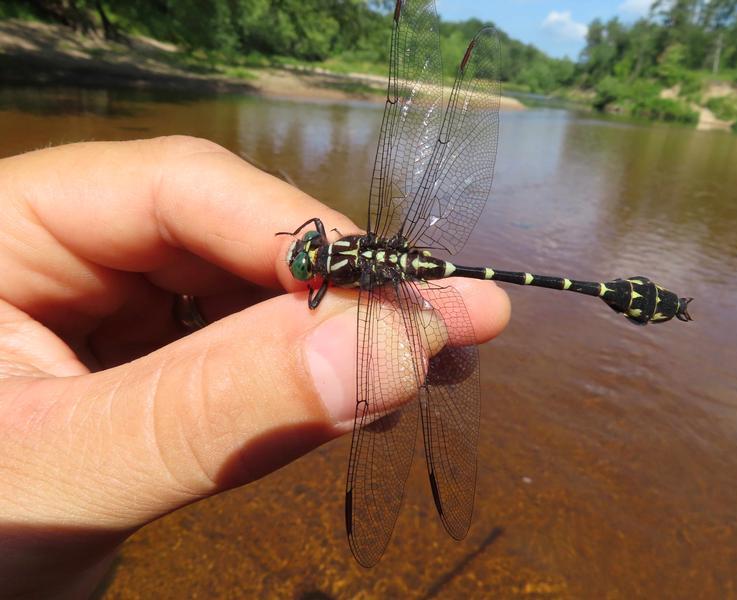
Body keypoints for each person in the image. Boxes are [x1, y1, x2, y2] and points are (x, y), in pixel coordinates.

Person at [0, 136, 510, 597]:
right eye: (312, 252)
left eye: (312, 258)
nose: (309, 254)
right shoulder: (345, 257)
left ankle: (595, 289)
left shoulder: (338, 281)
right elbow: (310, 232)